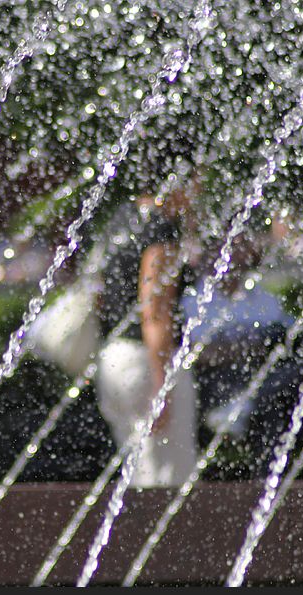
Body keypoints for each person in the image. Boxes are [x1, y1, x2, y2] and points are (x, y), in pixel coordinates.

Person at [95, 185, 202, 487]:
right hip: (146, 363)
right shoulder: (160, 230)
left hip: (115, 359)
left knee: (137, 477)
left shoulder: (123, 218)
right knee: (167, 483)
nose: (198, 190)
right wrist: (162, 384)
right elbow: (154, 311)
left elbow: (100, 294)